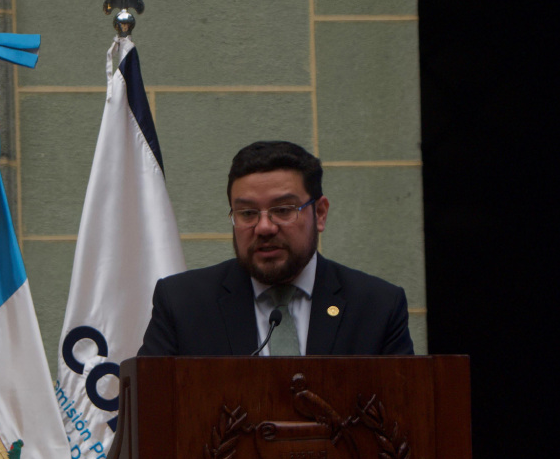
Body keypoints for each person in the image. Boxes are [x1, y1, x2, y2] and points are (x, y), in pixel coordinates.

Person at [138, 140, 413, 356]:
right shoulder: (183, 305)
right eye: (247, 213)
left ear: (319, 213)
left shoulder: (376, 307)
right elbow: (150, 414)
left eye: (282, 210)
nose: (264, 227)